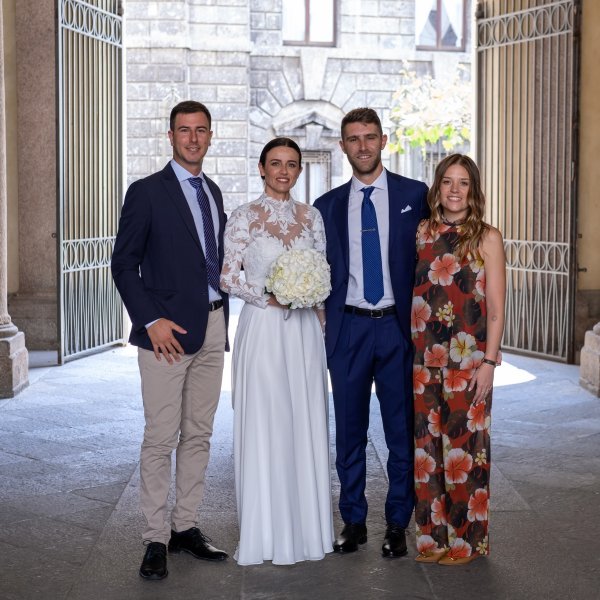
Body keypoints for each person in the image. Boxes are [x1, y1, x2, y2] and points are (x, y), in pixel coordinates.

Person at [111, 100, 229, 580]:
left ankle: (185, 527)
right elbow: (123, 263)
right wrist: (150, 320)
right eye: (185, 130)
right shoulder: (147, 192)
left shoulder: (214, 192)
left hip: (214, 324)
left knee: (199, 434)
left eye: (201, 130)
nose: (194, 138)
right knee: (161, 437)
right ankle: (155, 538)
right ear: (170, 136)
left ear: (210, 135)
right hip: (166, 335)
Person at [313, 108, 429, 557]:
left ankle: (398, 521)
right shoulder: (327, 207)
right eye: (353, 138)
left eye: (369, 137)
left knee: (401, 431)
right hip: (349, 331)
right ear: (342, 145)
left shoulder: (414, 195)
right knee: (349, 430)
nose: (362, 145)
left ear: (384, 141)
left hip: (399, 330)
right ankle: (354, 519)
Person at [220, 137, 334, 565]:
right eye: (275, 163)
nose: (283, 171)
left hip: (304, 333)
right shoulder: (243, 217)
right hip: (264, 327)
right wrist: (269, 295)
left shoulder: (312, 217)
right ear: (261, 169)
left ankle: (308, 531)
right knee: (267, 421)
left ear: (299, 171)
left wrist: (320, 320)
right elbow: (228, 277)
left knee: (304, 420)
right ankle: (266, 533)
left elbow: (321, 275)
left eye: (291, 164)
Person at [411, 154, 505, 565]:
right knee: (427, 454)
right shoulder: (423, 231)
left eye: (463, 183)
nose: (454, 190)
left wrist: (489, 362)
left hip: (468, 364)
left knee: (465, 453)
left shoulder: (487, 236)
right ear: (437, 187)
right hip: (423, 360)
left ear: (473, 189)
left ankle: (468, 543)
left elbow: (498, 310)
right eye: (447, 181)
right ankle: (433, 540)